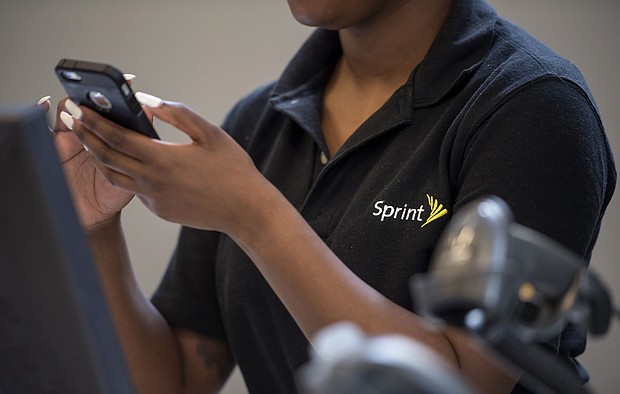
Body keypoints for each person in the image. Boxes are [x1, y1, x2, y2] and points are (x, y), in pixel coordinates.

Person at [41, 0, 615, 392]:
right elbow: (174, 380)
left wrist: (254, 213)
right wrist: (93, 229)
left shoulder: (533, 105)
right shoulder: (258, 121)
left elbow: (466, 383)